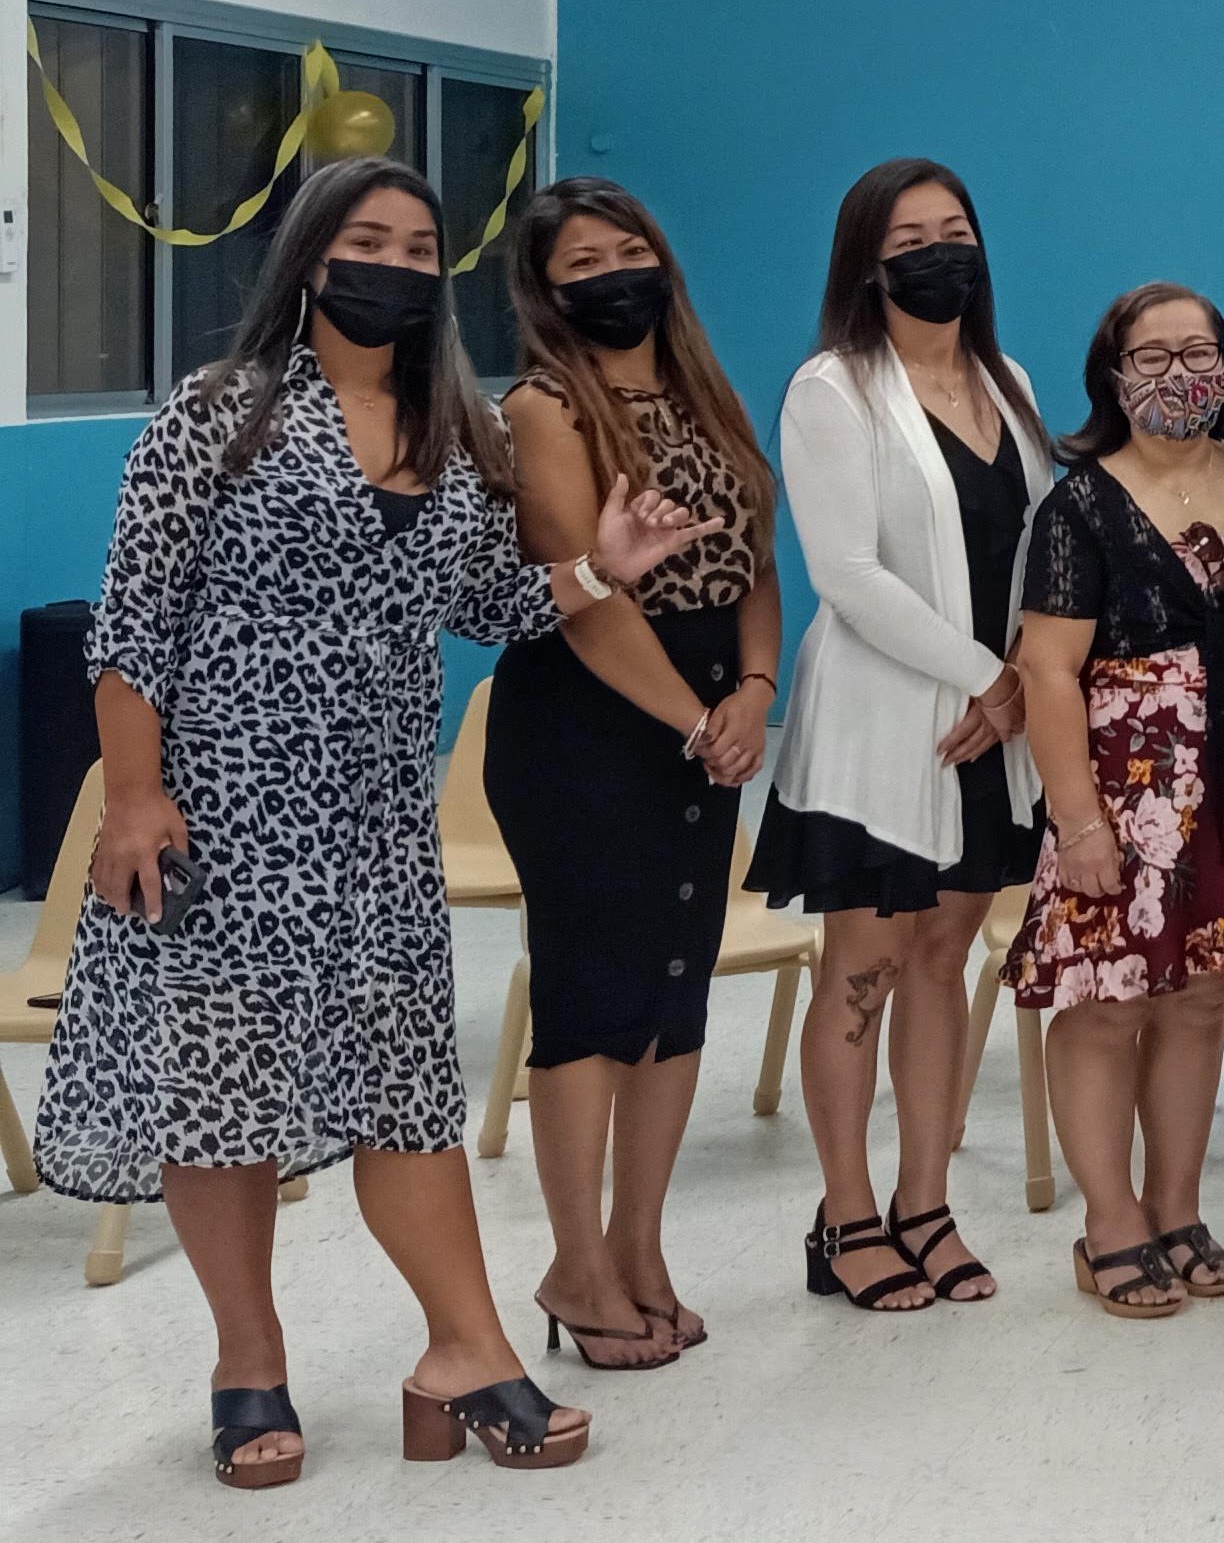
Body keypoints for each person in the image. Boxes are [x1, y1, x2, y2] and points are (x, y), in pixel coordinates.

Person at [44, 157, 714, 1483]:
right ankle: (248, 1362)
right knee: (223, 1101)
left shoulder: (458, 427)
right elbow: (133, 622)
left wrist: (598, 568)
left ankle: (461, 1349)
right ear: (306, 256)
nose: (399, 266)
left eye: (421, 248)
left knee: (411, 1094)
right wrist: (132, 795)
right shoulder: (219, 415)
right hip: (223, 824)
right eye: (370, 241)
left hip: (378, 831)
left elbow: (492, 608)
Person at [484, 176, 780, 1370]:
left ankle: (641, 1246)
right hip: (590, 717)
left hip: (711, 702)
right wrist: (696, 718)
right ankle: (574, 1261)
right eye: (583, 264)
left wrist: (754, 692)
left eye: (631, 251)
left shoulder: (710, 393)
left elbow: (756, 556)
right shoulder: (542, 405)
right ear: (548, 292)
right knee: (591, 995)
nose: (615, 275)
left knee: (675, 985)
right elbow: (582, 593)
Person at [751, 158, 1054, 1313]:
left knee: (942, 963)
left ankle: (925, 1203)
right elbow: (845, 574)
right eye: (912, 236)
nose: (941, 251)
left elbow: (1033, 549)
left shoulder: (1005, 377)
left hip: (996, 726)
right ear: (868, 265)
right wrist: (995, 679)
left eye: (957, 229)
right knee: (866, 968)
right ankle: (844, 1214)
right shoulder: (835, 388)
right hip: (889, 730)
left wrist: (1020, 682)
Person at [1000, 284, 1224, 1320]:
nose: (1178, 374)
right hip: (1121, 791)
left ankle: (1178, 1205)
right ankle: (1110, 1219)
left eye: (1198, 351)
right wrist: (1076, 821)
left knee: (1204, 998)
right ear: (1112, 376)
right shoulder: (1078, 504)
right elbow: (1045, 674)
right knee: (1108, 1002)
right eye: (1151, 355)